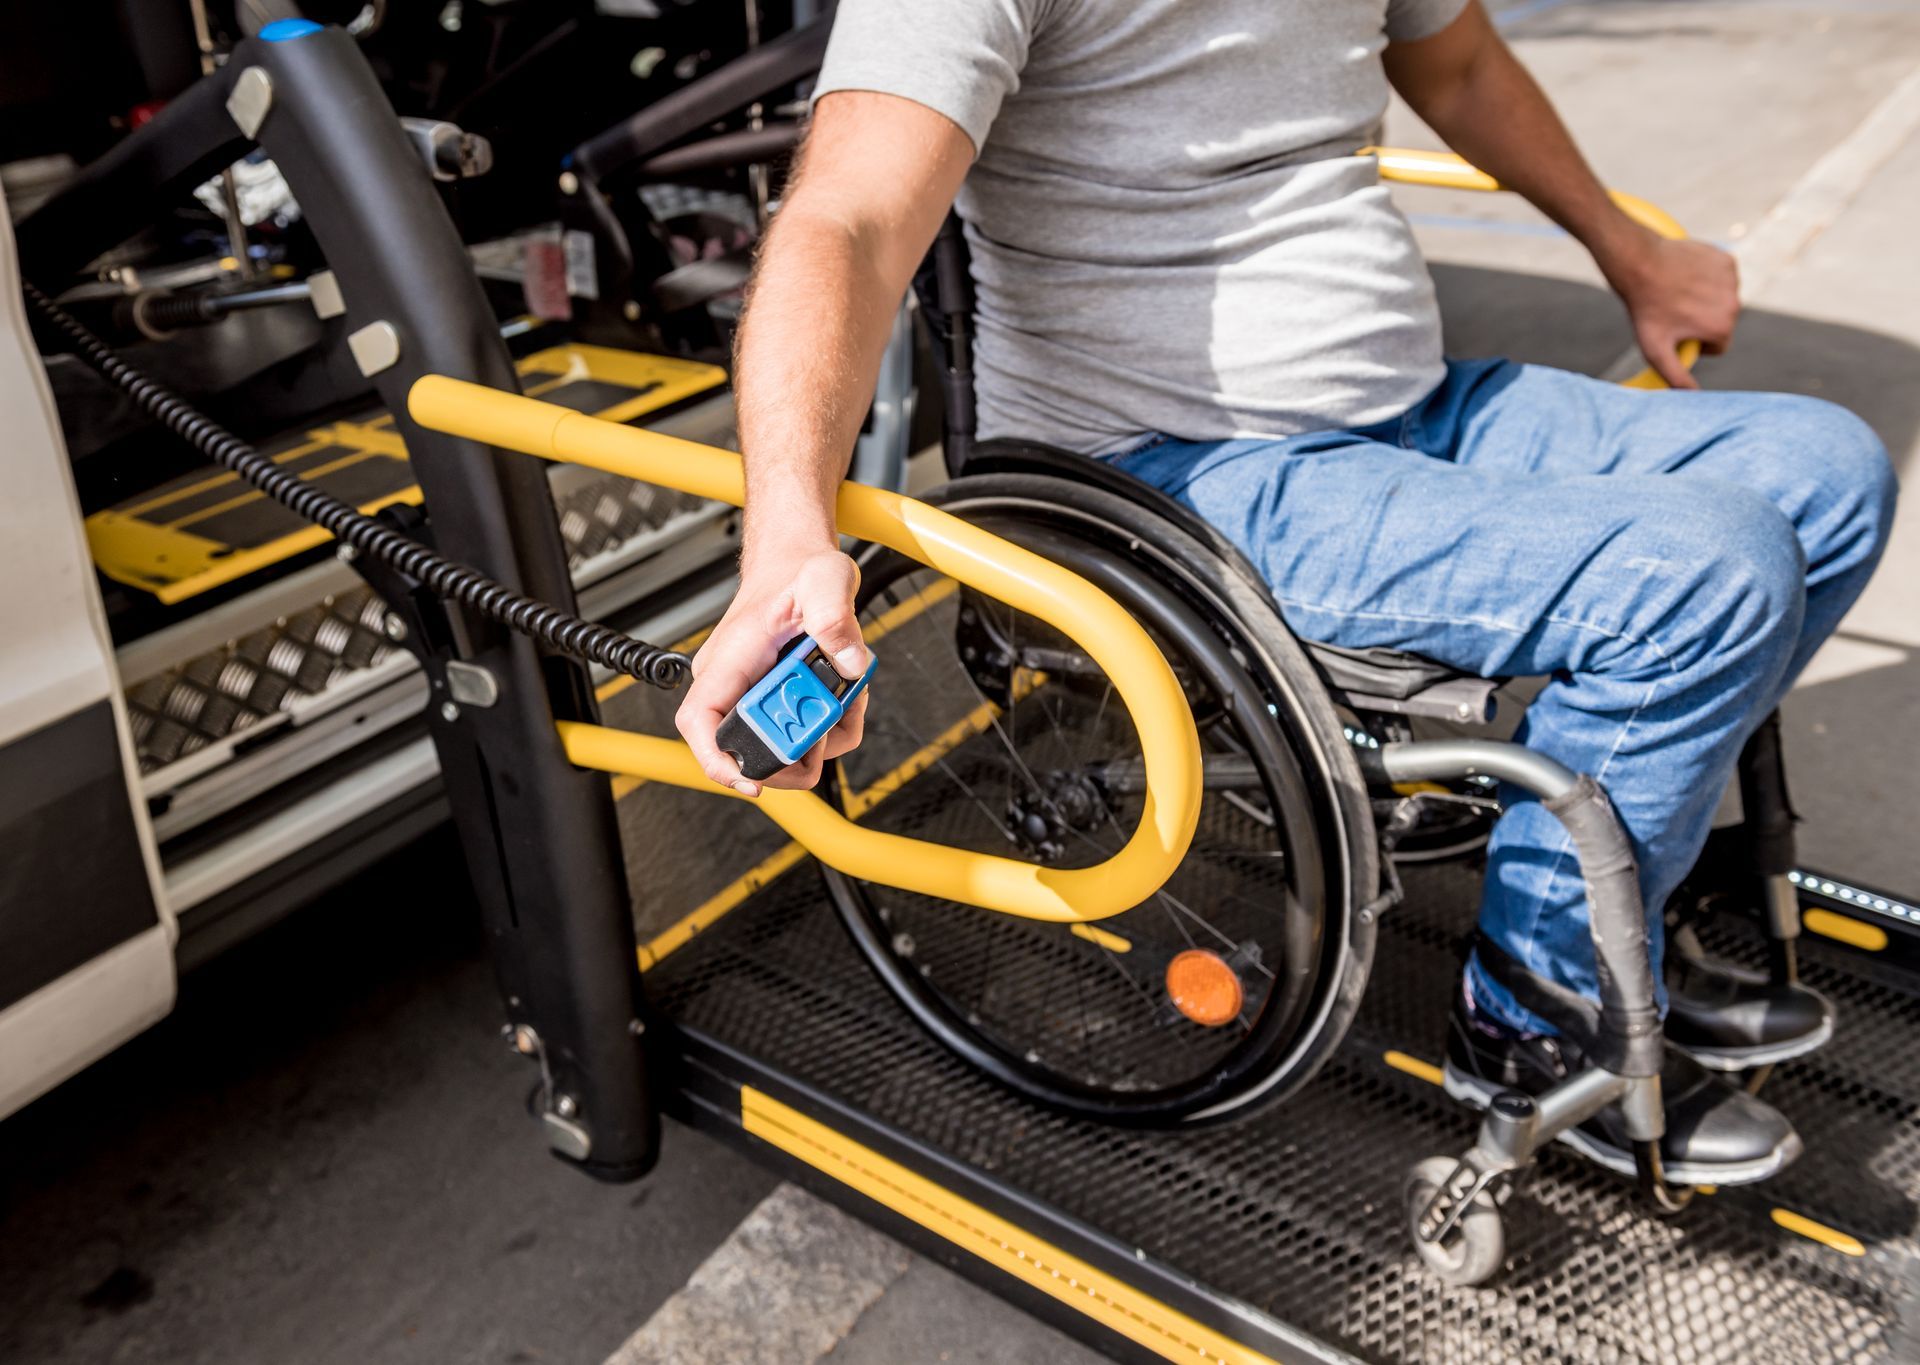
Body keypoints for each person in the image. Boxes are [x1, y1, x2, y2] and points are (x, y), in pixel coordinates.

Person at [674, 0, 1896, 1179]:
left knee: (1825, 475)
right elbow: (846, 219)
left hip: (1409, 411)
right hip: (1184, 473)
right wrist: (786, 531)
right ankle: (1535, 1017)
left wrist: (1630, 251)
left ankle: (1618, 879)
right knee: (1711, 576)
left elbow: (1459, 67)